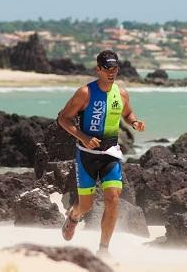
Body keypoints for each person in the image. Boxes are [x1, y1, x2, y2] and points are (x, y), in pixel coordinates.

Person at [57, 49, 145, 257]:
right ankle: (73, 217)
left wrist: (134, 121)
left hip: (110, 153)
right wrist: (83, 137)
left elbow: (127, 112)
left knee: (113, 199)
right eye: (107, 68)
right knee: (85, 206)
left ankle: (103, 250)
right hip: (87, 155)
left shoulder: (121, 93)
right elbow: (63, 119)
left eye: (115, 68)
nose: (112, 72)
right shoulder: (85, 93)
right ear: (98, 69)